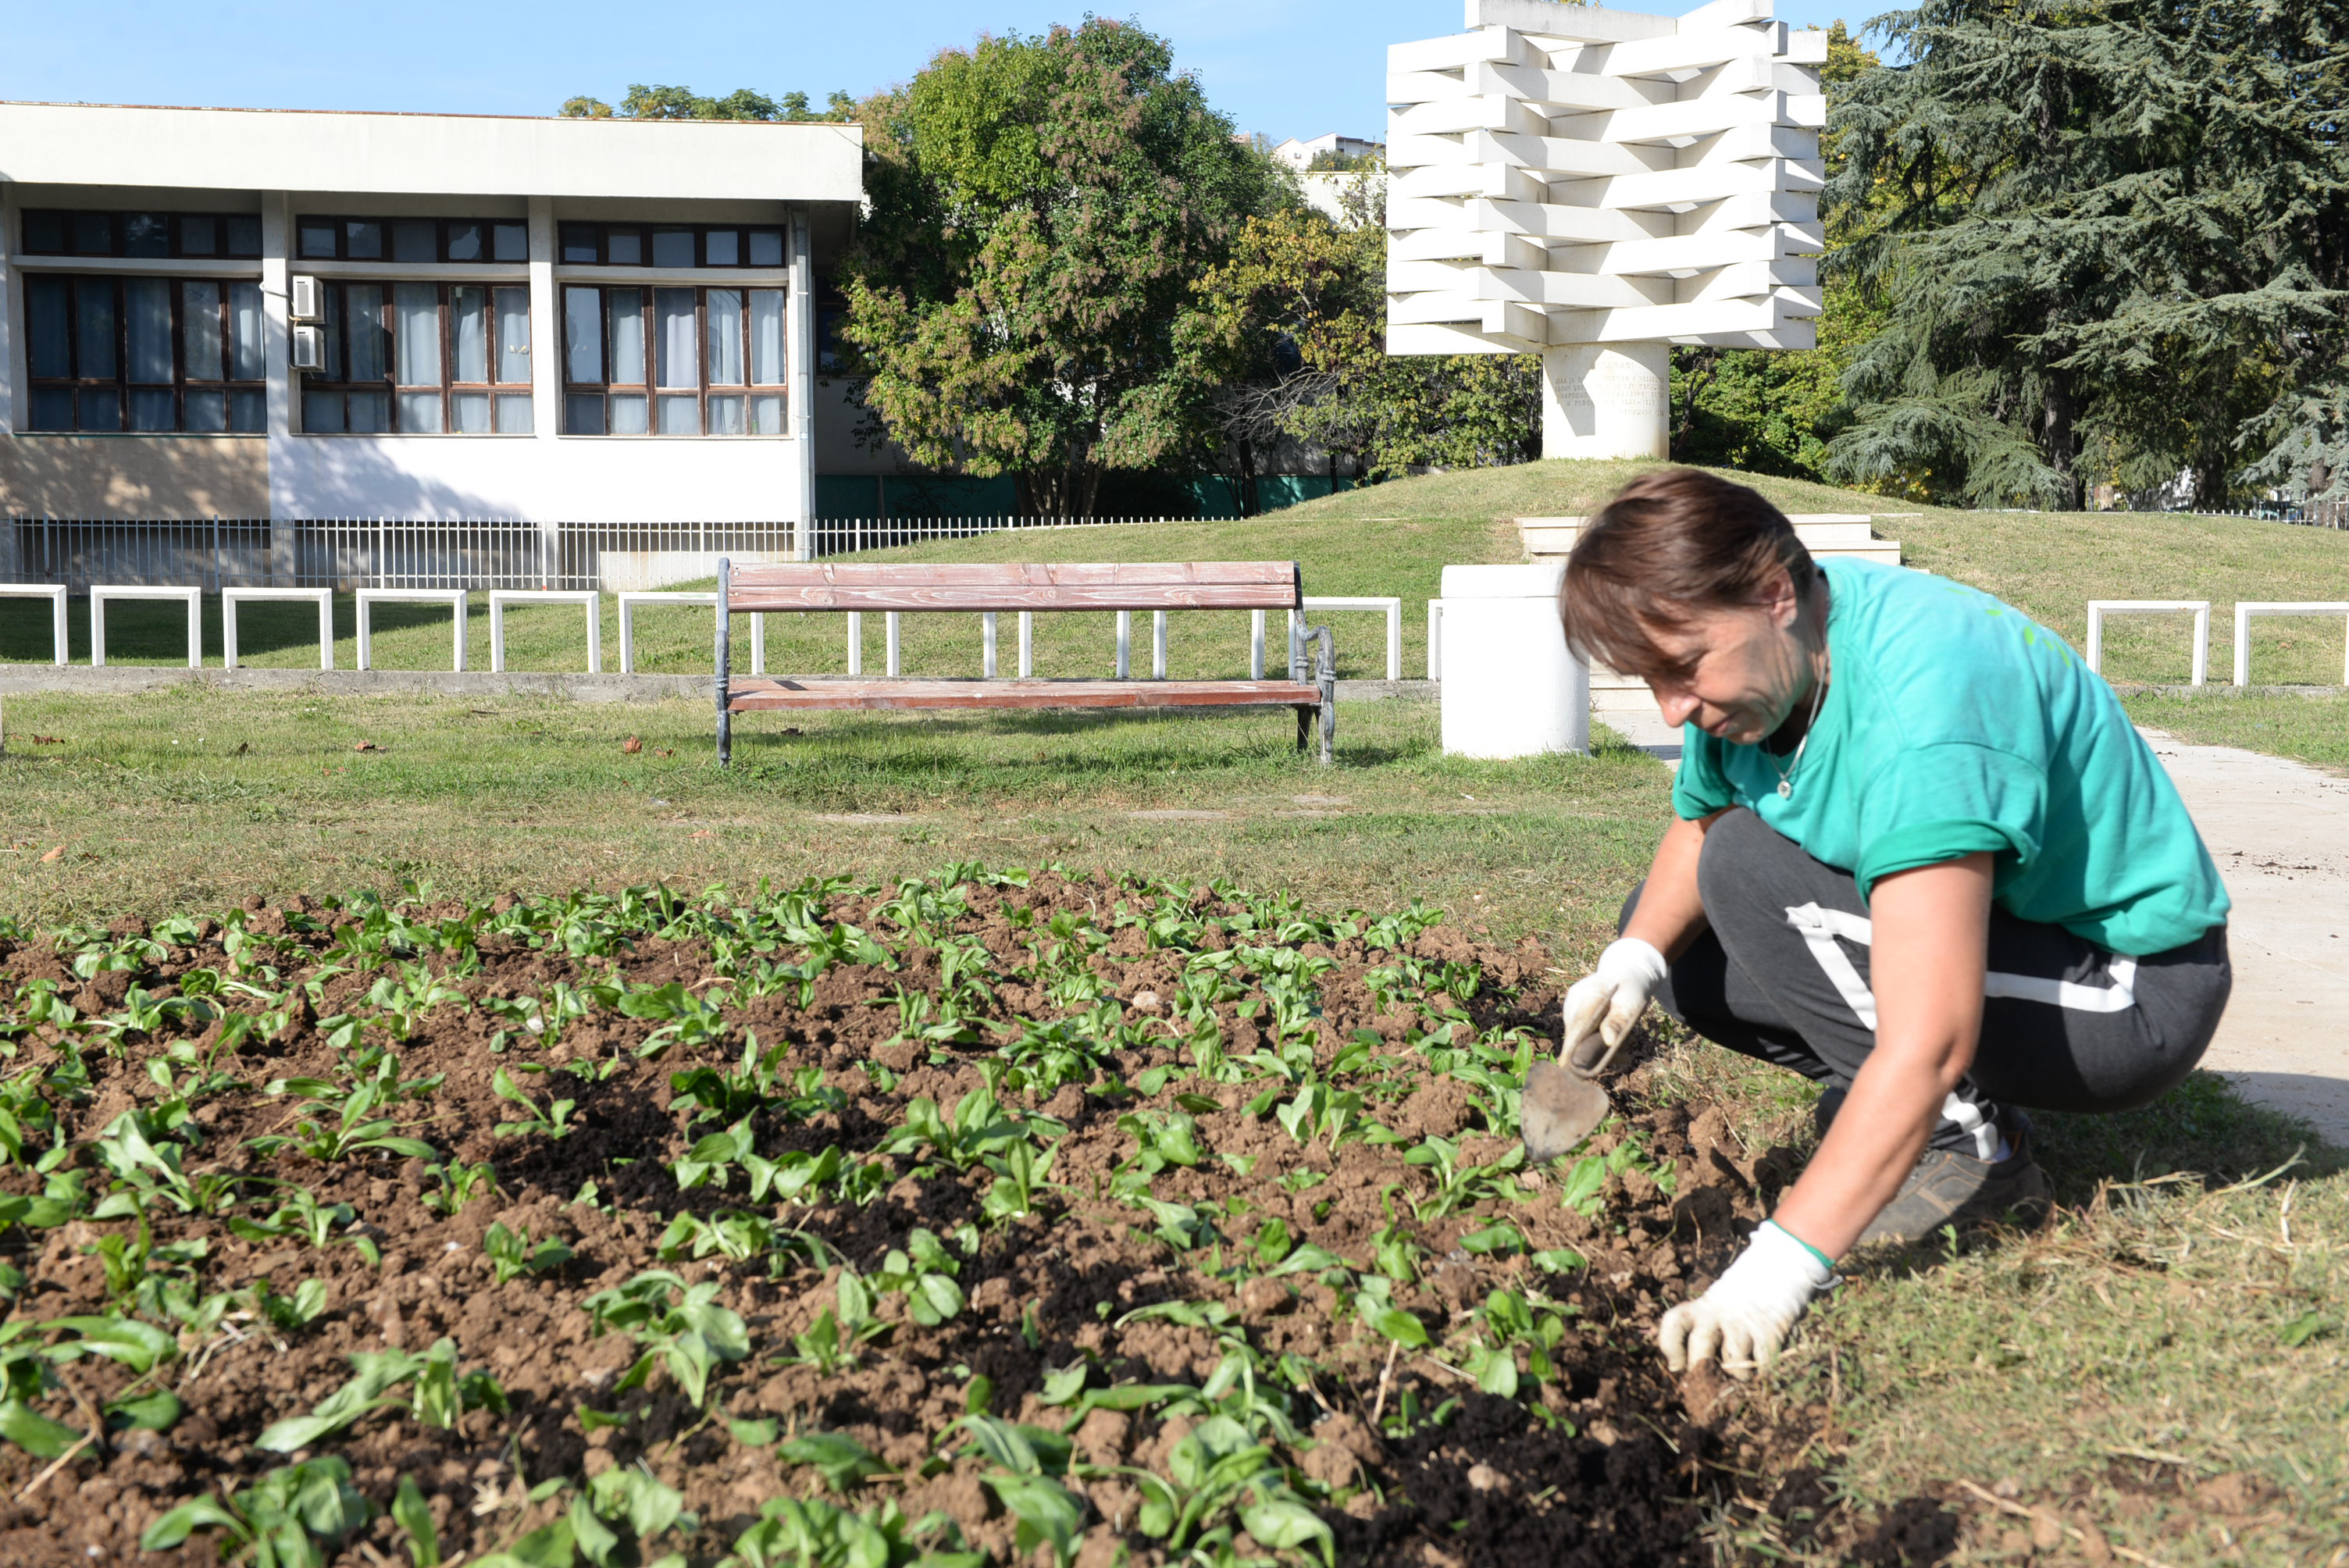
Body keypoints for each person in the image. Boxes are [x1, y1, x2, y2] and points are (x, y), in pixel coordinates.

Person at [1553, 469, 2231, 1379]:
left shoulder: (1924, 717)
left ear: (1772, 594)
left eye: (1682, 668)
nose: (1673, 709)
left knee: (1750, 875)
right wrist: (1630, 960)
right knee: (1680, 943)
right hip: (2016, 941)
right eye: (1648, 679)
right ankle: (1924, 1123)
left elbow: (1926, 1042)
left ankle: (1969, 1150)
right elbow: (1701, 817)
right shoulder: (1774, 651)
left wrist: (1774, 1271)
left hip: (2124, 990)